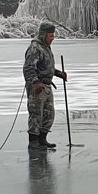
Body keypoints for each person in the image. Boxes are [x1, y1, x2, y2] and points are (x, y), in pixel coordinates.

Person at [23, 22, 67, 150]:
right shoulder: (35, 48)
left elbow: (46, 66)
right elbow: (29, 68)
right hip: (37, 86)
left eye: (53, 36)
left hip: (47, 86)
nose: (52, 38)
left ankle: (42, 139)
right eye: (50, 36)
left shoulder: (46, 47)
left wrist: (59, 73)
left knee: (49, 114)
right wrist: (36, 83)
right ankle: (33, 142)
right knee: (36, 114)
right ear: (43, 35)